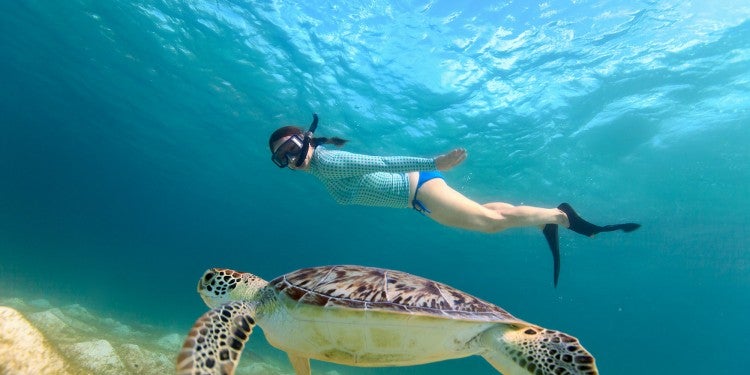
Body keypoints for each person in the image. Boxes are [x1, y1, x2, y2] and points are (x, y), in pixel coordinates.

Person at [269, 114, 640, 286]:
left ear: (305, 139)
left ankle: (560, 217)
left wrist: (436, 162)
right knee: (489, 215)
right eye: (280, 159)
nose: (288, 160)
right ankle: (548, 218)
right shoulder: (320, 168)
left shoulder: (327, 161)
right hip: (417, 194)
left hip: (417, 189)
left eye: (288, 148)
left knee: (489, 225)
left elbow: (380, 162)